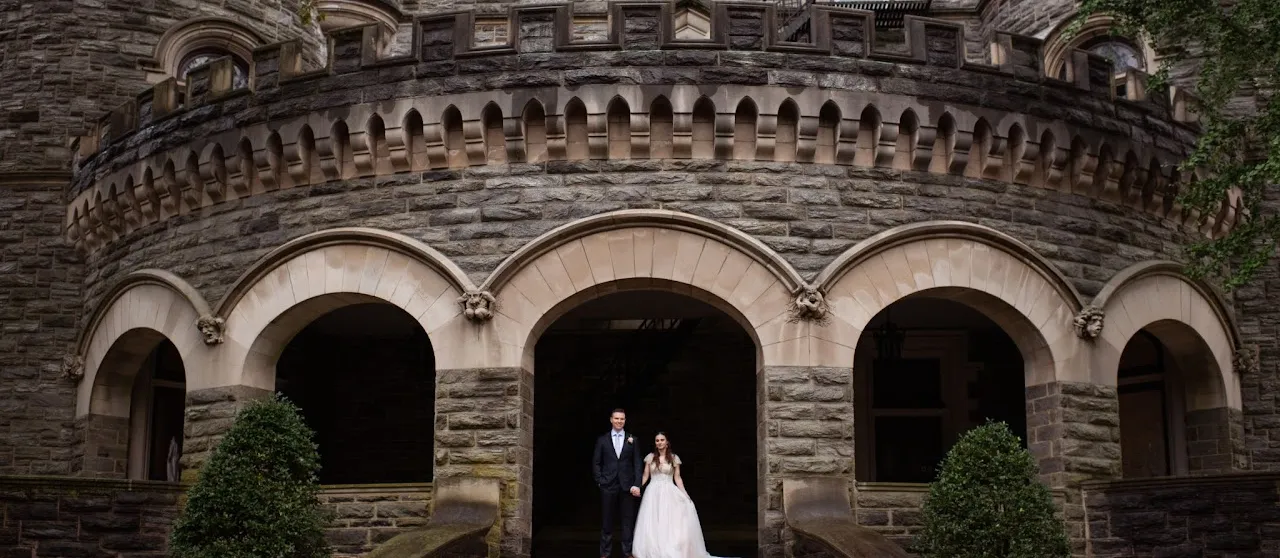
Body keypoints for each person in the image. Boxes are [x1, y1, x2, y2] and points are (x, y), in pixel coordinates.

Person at [632, 432, 724, 558]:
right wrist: (638, 486)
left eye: (662, 440)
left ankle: (668, 547)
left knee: (669, 520)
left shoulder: (674, 458)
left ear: (667, 442)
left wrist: (685, 494)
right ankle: (653, 548)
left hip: (669, 490)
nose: (659, 442)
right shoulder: (650, 457)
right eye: (657, 440)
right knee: (652, 521)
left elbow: (678, 478)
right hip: (652, 492)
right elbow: (645, 475)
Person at [593, 408, 644, 558]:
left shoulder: (632, 439)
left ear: (625, 420)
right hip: (608, 484)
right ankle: (605, 553)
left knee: (627, 520)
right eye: (616, 418)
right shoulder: (602, 440)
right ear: (611, 420)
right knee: (607, 520)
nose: (619, 421)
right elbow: (596, 462)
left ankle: (627, 552)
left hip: (627, 486)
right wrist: (600, 481)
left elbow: (637, 463)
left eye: (622, 419)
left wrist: (636, 484)